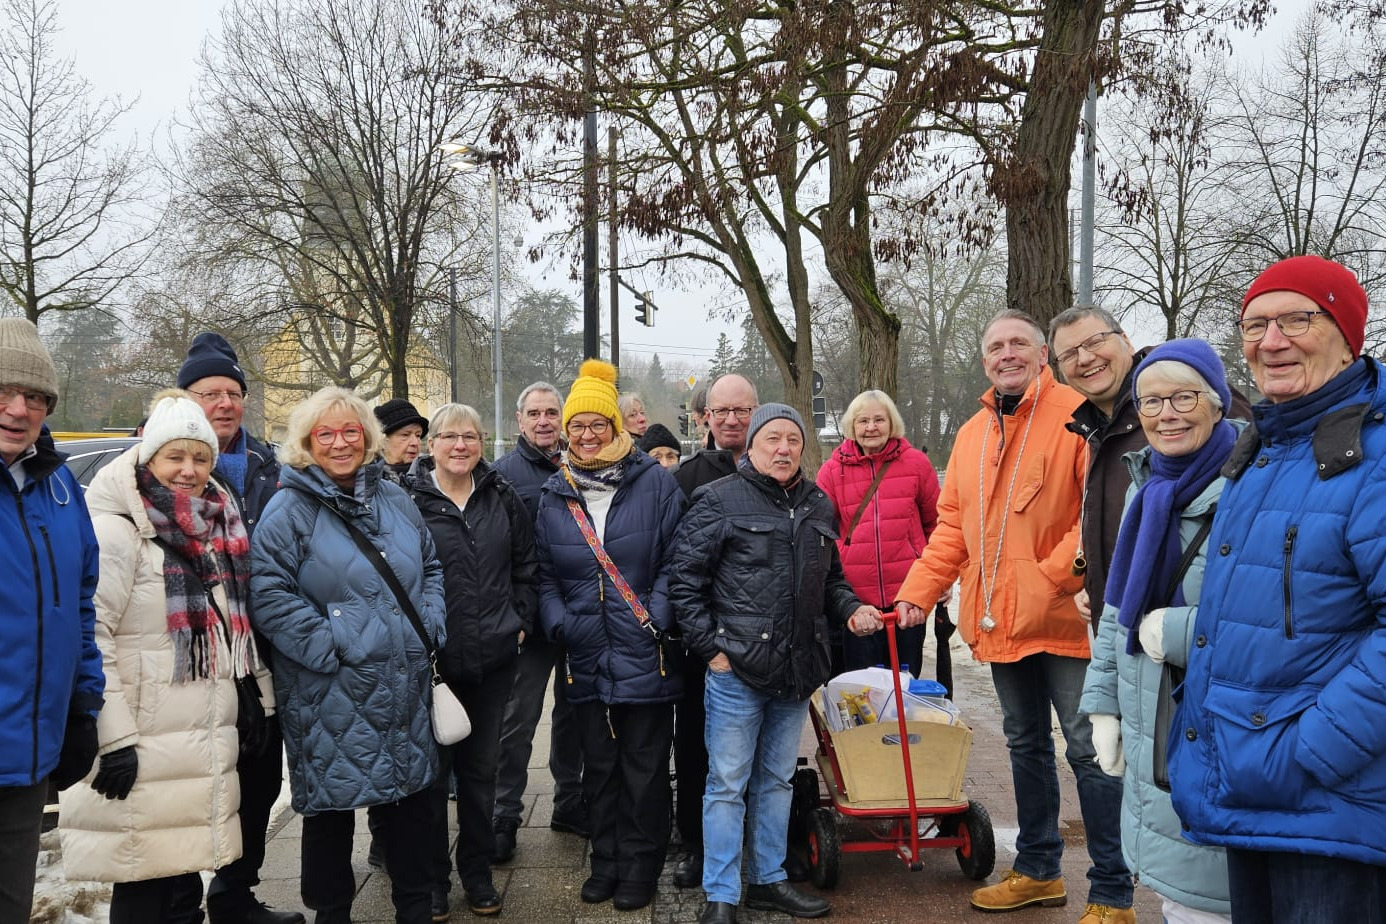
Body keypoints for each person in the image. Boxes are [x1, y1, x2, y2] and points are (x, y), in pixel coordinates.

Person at [895, 309, 1134, 923]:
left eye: (1019, 344)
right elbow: (953, 527)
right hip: (999, 622)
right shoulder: (972, 433)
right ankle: (1038, 870)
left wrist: (1051, 579)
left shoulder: (1076, 415)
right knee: (1025, 745)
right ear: (985, 361)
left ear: (1042, 355)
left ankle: (1113, 892)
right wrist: (919, 591)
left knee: (1088, 750)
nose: (1007, 354)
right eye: (996, 346)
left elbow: (1096, 514)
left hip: (1065, 620)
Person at [1168, 255, 1386, 921]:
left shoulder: (1373, 456)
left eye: (1296, 320)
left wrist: (1314, 749)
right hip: (1255, 781)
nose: (1271, 342)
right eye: (1254, 325)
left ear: (1348, 337)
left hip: (1331, 799)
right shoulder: (1265, 451)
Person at [669, 403, 882, 924]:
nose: (783, 449)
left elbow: (831, 580)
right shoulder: (718, 499)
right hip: (736, 671)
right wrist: (712, 651)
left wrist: (851, 609)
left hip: (797, 669)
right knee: (727, 784)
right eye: (772, 439)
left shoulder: (818, 503)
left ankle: (767, 880)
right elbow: (684, 583)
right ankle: (721, 894)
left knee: (777, 780)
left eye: (793, 440)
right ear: (754, 446)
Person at [61, 391, 264, 922]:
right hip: (141, 740)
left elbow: (226, 627)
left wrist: (251, 696)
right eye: (175, 456)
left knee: (179, 879)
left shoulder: (213, 526)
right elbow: (89, 638)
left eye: (200, 457)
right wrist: (114, 740)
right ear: (148, 457)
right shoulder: (118, 530)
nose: (188, 470)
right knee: (142, 885)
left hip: (192, 741)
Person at [250, 386, 446, 924]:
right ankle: (332, 912)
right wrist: (332, 645)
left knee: (409, 805)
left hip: (402, 683)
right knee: (330, 811)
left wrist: (429, 624)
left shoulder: (394, 499)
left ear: (367, 436)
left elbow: (429, 566)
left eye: (351, 431)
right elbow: (269, 594)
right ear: (307, 442)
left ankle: (415, 908)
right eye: (326, 434)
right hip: (329, 690)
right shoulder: (288, 509)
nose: (340, 443)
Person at [1079, 340, 1241, 923]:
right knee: (1176, 895)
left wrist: (1170, 631)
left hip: (1217, 727)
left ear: (1217, 402)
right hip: (1153, 725)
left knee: (1212, 896)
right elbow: (1117, 610)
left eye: (1183, 398)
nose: (1166, 414)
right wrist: (1103, 704)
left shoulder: (1246, 491)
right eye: (1151, 402)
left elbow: (1266, 626)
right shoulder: (1145, 489)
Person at [533, 359, 685, 912]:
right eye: (577, 426)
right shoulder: (555, 493)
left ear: (616, 427)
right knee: (598, 767)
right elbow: (544, 574)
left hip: (644, 647)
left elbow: (676, 560)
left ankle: (641, 866)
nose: (587, 435)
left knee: (644, 768)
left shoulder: (655, 483)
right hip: (586, 651)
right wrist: (559, 622)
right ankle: (606, 860)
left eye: (597, 424)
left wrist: (658, 614)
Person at [177, 332, 301, 924]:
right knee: (188, 786)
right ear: (185, 400)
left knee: (259, 777)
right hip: (194, 654)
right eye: (210, 393)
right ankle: (178, 901)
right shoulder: (166, 465)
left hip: (262, 653)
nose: (224, 404)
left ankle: (235, 893)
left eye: (232, 392)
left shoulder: (272, 467)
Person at [404, 403, 537, 919]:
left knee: (482, 775)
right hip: (432, 664)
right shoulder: (407, 500)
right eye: (449, 436)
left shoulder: (501, 496)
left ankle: (477, 873)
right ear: (430, 444)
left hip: (493, 660)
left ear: (483, 443)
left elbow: (527, 563)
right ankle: (433, 881)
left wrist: (520, 618)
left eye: (471, 436)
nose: (460, 446)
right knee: (433, 779)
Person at [1051, 309, 1251, 628]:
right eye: (1069, 354)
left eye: (1094, 341)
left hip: (1197, 628)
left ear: (1126, 341)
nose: (1085, 358)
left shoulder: (1186, 383)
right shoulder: (1091, 429)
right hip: (1122, 625)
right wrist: (1095, 585)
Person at [0, 319, 103, 922]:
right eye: (3, 391)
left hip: (27, 758)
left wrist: (82, 706)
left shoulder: (61, 486)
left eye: (35, 396)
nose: (19, 409)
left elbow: (79, 605)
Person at [670, 373, 759, 890]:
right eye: (720, 411)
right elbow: (676, 562)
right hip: (703, 639)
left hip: (762, 637)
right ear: (705, 417)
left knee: (760, 746)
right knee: (696, 745)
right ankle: (697, 844)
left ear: (755, 412)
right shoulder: (686, 478)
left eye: (741, 411)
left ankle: (761, 843)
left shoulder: (777, 468)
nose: (730, 420)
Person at [491, 382, 587, 862]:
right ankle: (503, 813)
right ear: (520, 420)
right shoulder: (502, 475)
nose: (544, 421)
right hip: (528, 622)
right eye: (535, 413)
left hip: (578, 615)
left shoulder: (582, 467)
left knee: (574, 715)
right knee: (518, 719)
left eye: (552, 412)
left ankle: (569, 801)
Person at [816, 389, 942, 678]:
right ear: (852, 426)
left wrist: (935, 580)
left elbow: (937, 524)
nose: (871, 427)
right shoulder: (832, 471)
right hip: (857, 601)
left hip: (908, 597)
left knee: (905, 681)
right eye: (863, 421)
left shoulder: (916, 464)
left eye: (879, 420)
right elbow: (821, 532)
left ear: (891, 423)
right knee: (863, 687)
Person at [375, 398, 429, 482]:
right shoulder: (366, 479)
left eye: (418, 435)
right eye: (405, 435)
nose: (415, 443)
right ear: (383, 441)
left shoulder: (434, 476)